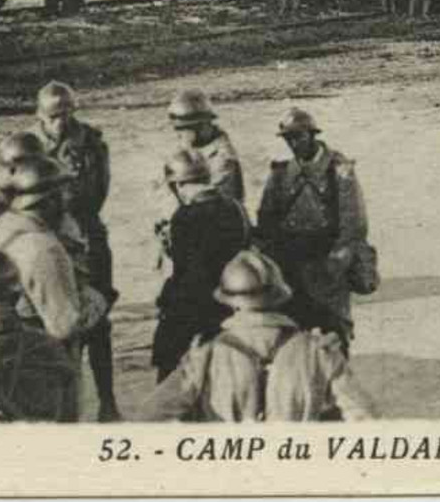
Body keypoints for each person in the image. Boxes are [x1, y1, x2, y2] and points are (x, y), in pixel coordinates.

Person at [141, 250, 376, 422]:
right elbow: (366, 418)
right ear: (279, 296)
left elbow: (150, 416)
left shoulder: (205, 353)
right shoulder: (318, 350)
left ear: (230, 302)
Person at [0, 156, 104, 422]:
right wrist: (97, 300)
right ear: (47, 200)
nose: (67, 201)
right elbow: (64, 325)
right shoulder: (44, 248)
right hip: (38, 362)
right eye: (61, 194)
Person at [32, 81, 120, 422]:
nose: (62, 122)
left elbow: (99, 192)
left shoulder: (91, 142)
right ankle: (59, 406)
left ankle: (108, 402)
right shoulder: (27, 146)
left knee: (99, 322)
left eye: (67, 114)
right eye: (54, 116)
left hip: (88, 235)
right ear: (39, 115)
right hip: (49, 240)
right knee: (51, 323)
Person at [255, 109, 373, 348]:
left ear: (312, 134)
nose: (294, 143)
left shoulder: (339, 170)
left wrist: (336, 263)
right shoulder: (280, 174)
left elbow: (354, 223)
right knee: (292, 334)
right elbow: (266, 221)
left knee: (333, 334)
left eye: (299, 137)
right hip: (291, 265)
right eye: (289, 139)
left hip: (328, 263)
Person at [151, 149, 251, 382]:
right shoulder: (236, 208)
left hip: (194, 307)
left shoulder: (184, 216)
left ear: (177, 186)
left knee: (170, 369)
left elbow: (184, 267)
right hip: (232, 302)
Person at [167, 89, 244, 210]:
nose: (179, 135)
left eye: (184, 129)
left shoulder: (222, 159)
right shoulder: (195, 147)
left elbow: (211, 204)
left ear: (202, 126)